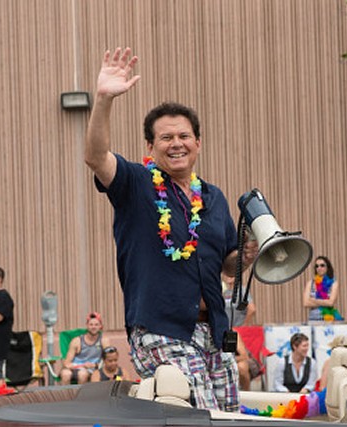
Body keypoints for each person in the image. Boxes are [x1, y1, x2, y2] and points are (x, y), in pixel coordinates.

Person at [84, 47, 258, 412]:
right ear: (150, 146)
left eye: (184, 136)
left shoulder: (212, 197)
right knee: (200, 416)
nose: (176, 143)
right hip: (161, 329)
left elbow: (226, 267)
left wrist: (246, 254)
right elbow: (96, 157)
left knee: (228, 415)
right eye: (166, 138)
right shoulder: (136, 183)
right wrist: (103, 99)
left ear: (198, 141)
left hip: (213, 331)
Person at [59, 312, 108, 384]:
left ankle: (81, 395)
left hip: (93, 369)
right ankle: (65, 395)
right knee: (65, 374)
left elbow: (108, 360)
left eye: (96, 324)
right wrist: (69, 366)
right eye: (91, 324)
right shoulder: (77, 341)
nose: (93, 327)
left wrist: (94, 365)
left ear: (100, 326)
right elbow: (67, 362)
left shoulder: (104, 341)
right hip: (76, 367)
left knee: (82, 374)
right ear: (87, 326)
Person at [303, 256, 342, 323]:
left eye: (322, 265)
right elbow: (306, 303)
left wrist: (313, 300)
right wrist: (325, 302)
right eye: (317, 266)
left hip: (328, 318)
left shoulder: (334, 283)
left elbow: (331, 303)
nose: (319, 268)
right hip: (313, 319)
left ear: (327, 267)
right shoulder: (310, 283)